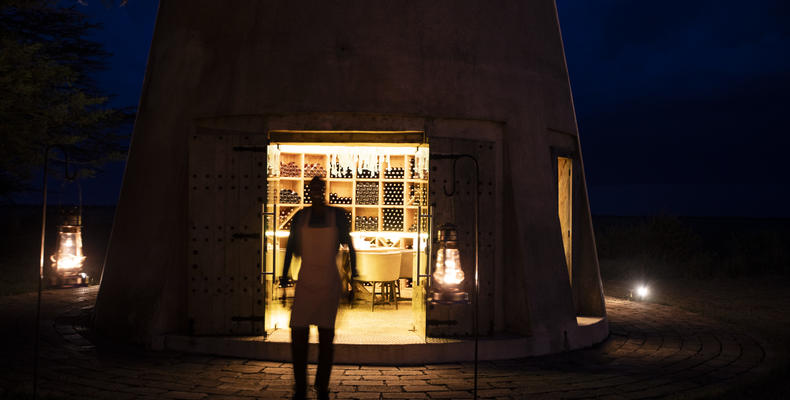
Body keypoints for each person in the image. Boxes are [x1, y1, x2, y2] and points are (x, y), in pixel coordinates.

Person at [280, 176, 356, 400]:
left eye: (318, 187)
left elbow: (350, 247)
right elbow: (290, 248)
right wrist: (283, 278)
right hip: (305, 282)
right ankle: (300, 386)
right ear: (308, 190)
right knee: (298, 334)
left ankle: (321, 386)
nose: (315, 191)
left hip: (329, 284)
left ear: (323, 189)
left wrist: (354, 278)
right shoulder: (301, 217)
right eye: (312, 187)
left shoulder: (337, 216)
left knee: (325, 339)